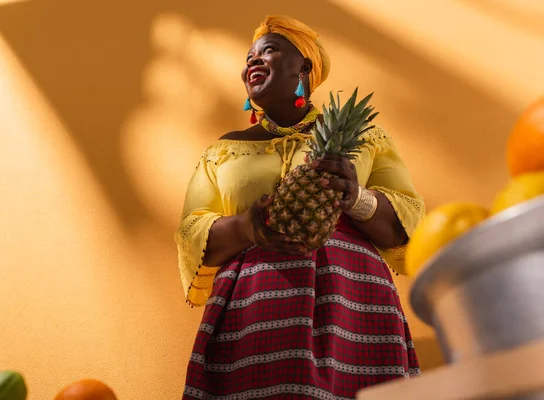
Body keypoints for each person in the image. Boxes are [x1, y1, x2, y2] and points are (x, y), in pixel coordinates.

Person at [175, 15, 424, 400]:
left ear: (304, 67)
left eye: (268, 51)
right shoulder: (222, 150)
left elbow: (410, 221)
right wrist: (246, 227)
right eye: (249, 56)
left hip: (354, 303)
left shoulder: (365, 138)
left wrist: (355, 198)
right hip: (253, 306)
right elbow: (191, 231)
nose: (253, 62)